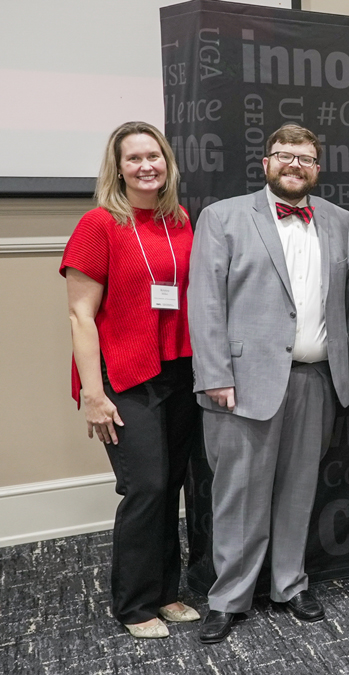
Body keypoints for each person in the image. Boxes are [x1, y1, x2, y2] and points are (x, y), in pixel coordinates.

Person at [189, 124, 349, 643]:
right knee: (238, 494)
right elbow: (206, 302)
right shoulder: (223, 216)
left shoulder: (339, 219)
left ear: (317, 168)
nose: (295, 165)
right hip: (242, 383)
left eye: (305, 158)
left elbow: (342, 300)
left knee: (299, 490)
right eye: (284, 155)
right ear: (266, 164)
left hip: (316, 379)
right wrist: (215, 374)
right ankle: (228, 596)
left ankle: (290, 583)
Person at [61, 121, 200, 639]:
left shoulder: (180, 219)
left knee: (171, 487)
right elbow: (80, 316)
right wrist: (94, 394)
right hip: (123, 375)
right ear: (117, 168)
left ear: (167, 162)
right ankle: (134, 604)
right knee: (146, 486)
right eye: (135, 158)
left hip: (179, 371)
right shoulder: (98, 224)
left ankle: (166, 592)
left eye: (155, 156)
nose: (147, 166)